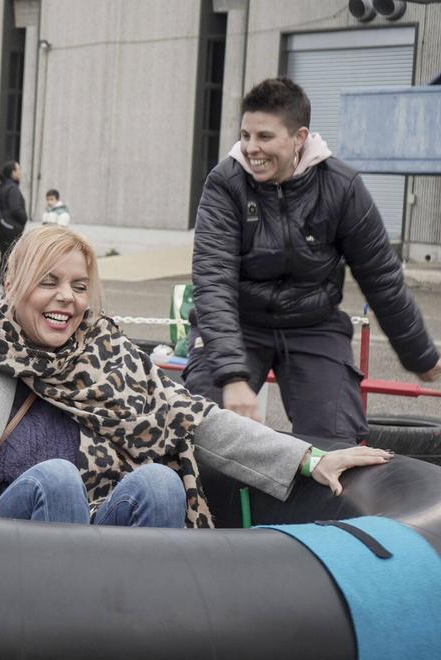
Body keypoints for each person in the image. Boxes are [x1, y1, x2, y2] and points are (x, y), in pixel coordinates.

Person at [0, 226, 393, 527]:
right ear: (15, 283)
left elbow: (198, 419)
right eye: (50, 282)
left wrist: (310, 457)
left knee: (160, 483)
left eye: (79, 285)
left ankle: (128, 635)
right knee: (56, 478)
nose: (68, 297)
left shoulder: (107, 355)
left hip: (90, 540)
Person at [184, 77, 440, 443]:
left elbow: (381, 277)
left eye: (264, 137)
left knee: (335, 438)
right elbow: (213, 280)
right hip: (240, 321)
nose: (250, 148)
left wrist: (420, 355)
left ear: (299, 138)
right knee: (198, 430)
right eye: (245, 135)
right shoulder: (226, 183)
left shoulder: (341, 186)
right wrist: (232, 376)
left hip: (313, 325)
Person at [0, 161, 28, 258]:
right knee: (10, 258)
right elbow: (15, 208)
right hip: (11, 228)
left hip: (3, 226)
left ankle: (2, 274)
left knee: (5, 257)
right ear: (13, 172)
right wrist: (24, 218)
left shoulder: (3, 186)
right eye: (19, 169)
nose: (20, 172)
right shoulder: (13, 188)